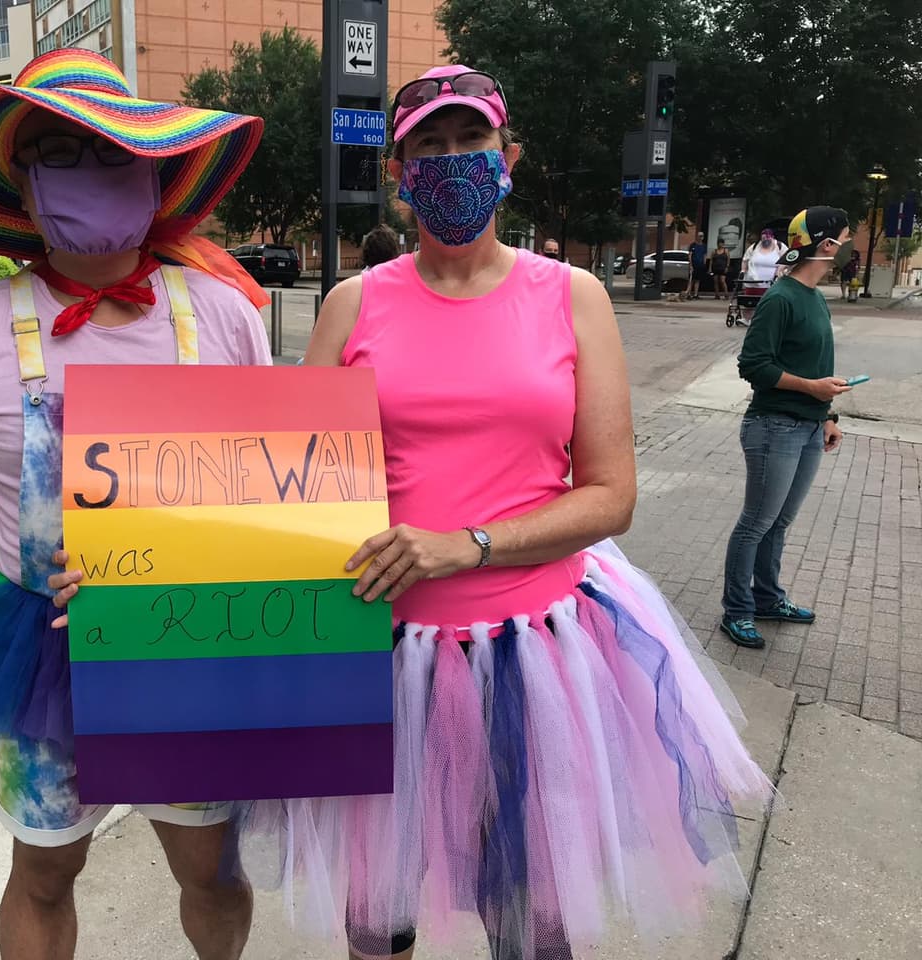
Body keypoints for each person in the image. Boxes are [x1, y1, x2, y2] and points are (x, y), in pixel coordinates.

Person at [75, 63, 766, 960]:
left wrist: (467, 545)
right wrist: (132, 559)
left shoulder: (573, 296)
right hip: (376, 658)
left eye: (470, 140)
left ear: (506, 156)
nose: (451, 163)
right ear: (402, 175)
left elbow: (611, 496)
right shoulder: (353, 304)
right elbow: (273, 486)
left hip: (534, 656)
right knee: (379, 919)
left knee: (530, 919)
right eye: (427, 148)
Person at [0, 50, 271, 960]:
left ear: (154, 175)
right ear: (23, 190)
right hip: (35, 647)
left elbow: (272, 483)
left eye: (111, 153)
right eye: (58, 155)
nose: (89, 174)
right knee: (42, 872)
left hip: (186, 637)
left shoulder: (225, 317)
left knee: (212, 869)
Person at [720, 207, 854, 649]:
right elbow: (753, 365)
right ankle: (737, 611)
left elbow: (817, 365)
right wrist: (810, 389)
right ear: (826, 245)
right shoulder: (781, 298)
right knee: (756, 523)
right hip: (774, 427)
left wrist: (828, 414)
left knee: (779, 522)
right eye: (843, 240)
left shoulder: (815, 298)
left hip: (811, 428)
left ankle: (768, 598)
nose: (845, 248)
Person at [687, 230, 708, 299]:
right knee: (691, 279)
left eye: (702, 236)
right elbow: (690, 255)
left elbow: (705, 255)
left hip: (700, 265)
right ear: (697, 237)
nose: (701, 237)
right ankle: (688, 293)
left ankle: (695, 294)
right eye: (699, 236)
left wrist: (704, 264)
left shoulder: (704, 246)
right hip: (694, 264)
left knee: (697, 280)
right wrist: (691, 265)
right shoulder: (693, 245)